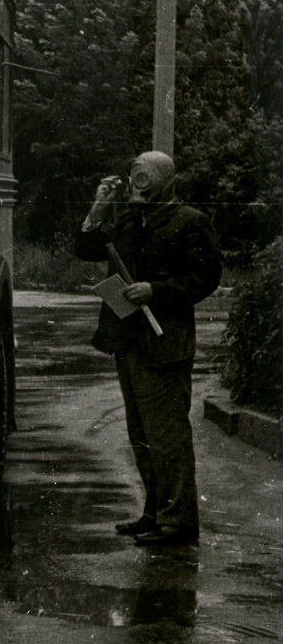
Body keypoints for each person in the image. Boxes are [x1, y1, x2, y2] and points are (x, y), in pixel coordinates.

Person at [75, 151, 221, 546]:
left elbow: (206, 277)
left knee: (168, 433)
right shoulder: (128, 220)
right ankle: (154, 513)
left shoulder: (190, 221)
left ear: (166, 180)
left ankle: (178, 521)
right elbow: (87, 248)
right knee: (141, 432)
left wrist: (156, 291)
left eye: (147, 177)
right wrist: (98, 209)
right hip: (128, 340)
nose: (140, 183)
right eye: (137, 174)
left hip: (165, 342)